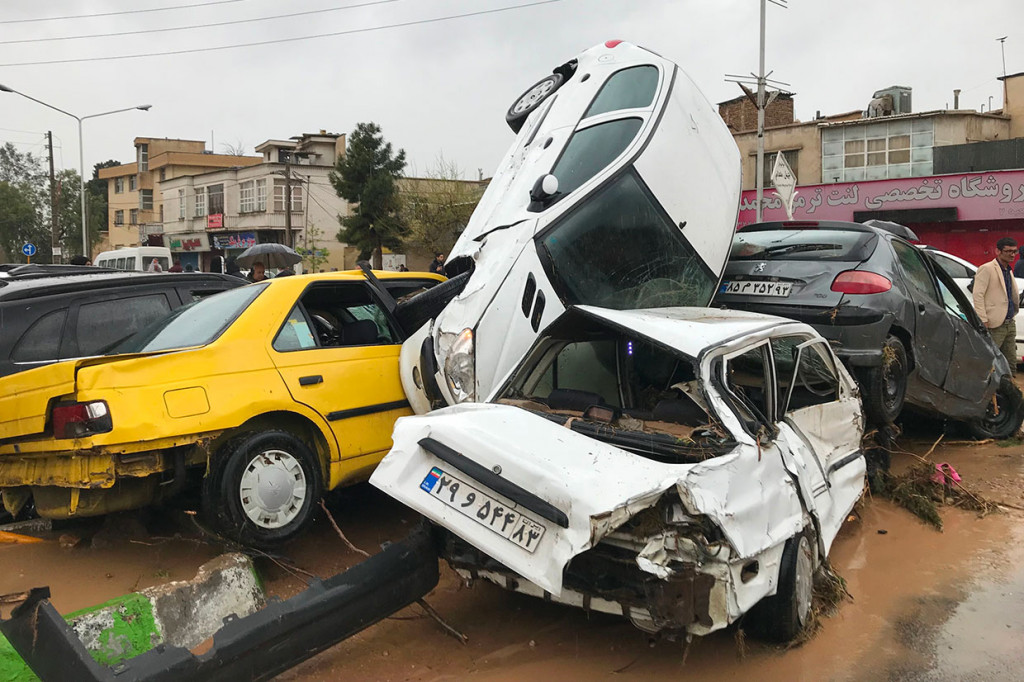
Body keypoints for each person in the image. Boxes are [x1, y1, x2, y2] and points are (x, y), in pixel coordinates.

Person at [973, 237, 1020, 375]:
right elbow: (978, 295)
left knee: (1010, 362)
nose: (1012, 254)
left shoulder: (1008, 270)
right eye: (1008, 251)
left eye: (1014, 251)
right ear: (998, 251)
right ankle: (985, 387)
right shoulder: (987, 269)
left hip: (1009, 322)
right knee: (989, 360)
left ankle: (1009, 386)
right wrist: (983, 319)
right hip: (993, 323)